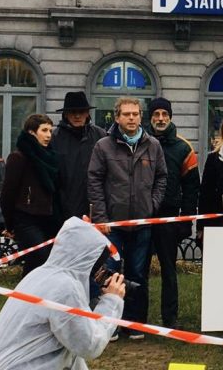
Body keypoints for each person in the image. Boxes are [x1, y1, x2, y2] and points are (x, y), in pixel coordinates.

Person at [0, 217, 125, 370]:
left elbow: (71, 355)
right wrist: (112, 301)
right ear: (87, 260)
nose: (100, 271)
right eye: (97, 264)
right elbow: (90, 345)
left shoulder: (40, 275)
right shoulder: (65, 288)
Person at [87, 96, 167, 341]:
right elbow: (94, 181)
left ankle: (134, 324)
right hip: (113, 224)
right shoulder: (103, 146)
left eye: (135, 114)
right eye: (126, 114)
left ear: (140, 116)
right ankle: (108, 324)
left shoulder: (153, 145)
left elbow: (162, 178)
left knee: (137, 273)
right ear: (117, 117)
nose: (131, 118)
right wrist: (100, 217)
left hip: (142, 223)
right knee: (109, 273)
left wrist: (152, 206)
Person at [145, 98, 199, 329]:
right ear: (150, 117)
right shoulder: (140, 142)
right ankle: (135, 319)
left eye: (164, 114)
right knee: (138, 268)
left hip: (169, 215)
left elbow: (192, 187)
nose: (160, 118)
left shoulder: (183, 147)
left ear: (170, 117)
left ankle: (170, 319)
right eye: (156, 114)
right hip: (142, 215)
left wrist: (186, 220)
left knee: (169, 269)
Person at [0, 114, 60, 277]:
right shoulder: (18, 158)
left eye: (50, 130)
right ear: (32, 132)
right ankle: (25, 296)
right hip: (25, 218)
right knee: (40, 257)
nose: (49, 135)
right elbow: (8, 193)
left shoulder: (50, 157)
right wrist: (10, 224)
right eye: (44, 130)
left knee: (38, 263)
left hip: (47, 218)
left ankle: (28, 296)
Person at [51, 91, 107, 219]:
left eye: (81, 111)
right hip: (64, 209)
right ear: (65, 114)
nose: (77, 116)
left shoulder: (100, 136)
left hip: (96, 208)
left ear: (87, 113)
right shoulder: (55, 138)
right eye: (72, 112)